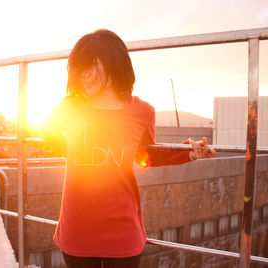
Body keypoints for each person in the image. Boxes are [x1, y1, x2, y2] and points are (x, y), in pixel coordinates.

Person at [41, 29, 216, 268]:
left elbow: (147, 155)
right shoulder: (70, 107)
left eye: (92, 65)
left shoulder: (142, 111)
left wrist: (190, 151)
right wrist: (76, 150)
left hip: (122, 230)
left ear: (115, 63)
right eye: (80, 67)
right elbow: (47, 133)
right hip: (76, 229)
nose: (84, 74)